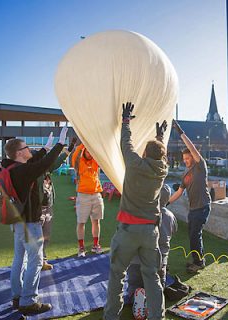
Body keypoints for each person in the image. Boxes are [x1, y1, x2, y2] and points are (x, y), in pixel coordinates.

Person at [103, 102, 168, 320]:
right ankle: (157, 317)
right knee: (152, 277)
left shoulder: (134, 164)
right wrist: (160, 138)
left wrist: (126, 120)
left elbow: (125, 143)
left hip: (129, 231)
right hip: (150, 234)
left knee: (116, 275)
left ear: (144, 154)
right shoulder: (162, 171)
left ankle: (111, 316)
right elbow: (159, 155)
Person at [2, 126, 68, 315]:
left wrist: (46, 148)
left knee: (19, 260)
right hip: (30, 223)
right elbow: (43, 165)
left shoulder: (12, 167)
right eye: (26, 148)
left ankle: (17, 296)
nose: (30, 149)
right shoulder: (23, 171)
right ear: (19, 153)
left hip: (18, 222)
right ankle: (29, 301)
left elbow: (36, 161)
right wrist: (60, 144)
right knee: (35, 261)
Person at [168, 119, 211, 273]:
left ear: (193, 157)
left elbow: (191, 148)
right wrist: (166, 202)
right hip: (193, 209)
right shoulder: (185, 173)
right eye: (184, 159)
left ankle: (198, 263)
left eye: (188, 158)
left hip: (203, 207)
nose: (186, 161)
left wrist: (180, 133)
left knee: (194, 235)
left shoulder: (200, 167)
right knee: (193, 235)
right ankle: (198, 260)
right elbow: (179, 192)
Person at [125, 184, 178, 301]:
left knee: (134, 283)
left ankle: (135, 295)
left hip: (137, 261)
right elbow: (173, 231)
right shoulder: (170, 216)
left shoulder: (140, 213)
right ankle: (154, 296)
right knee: (158, 285)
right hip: (158, 261)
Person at [37, 135, 78, 270]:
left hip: (48, 208)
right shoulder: (33, 172)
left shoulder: (48, 169)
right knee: (35, 240)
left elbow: (60, 159)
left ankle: (43, 261)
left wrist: (70, 147)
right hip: (36, 211)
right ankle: (34, 263)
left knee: (45, 237)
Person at [71, 143, 104, 257]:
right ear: (84, 151)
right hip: (83, 195)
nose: (89, 154)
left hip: (96, 195)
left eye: (91, 152)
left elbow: (101, 154)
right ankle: (81, 248)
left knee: (96, 221)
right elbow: (75, 156)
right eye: (87, 151)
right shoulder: (79, 163)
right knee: (81, 222)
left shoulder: (95, 162)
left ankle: (96, 245)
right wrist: (83, 143)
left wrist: (92, 144)